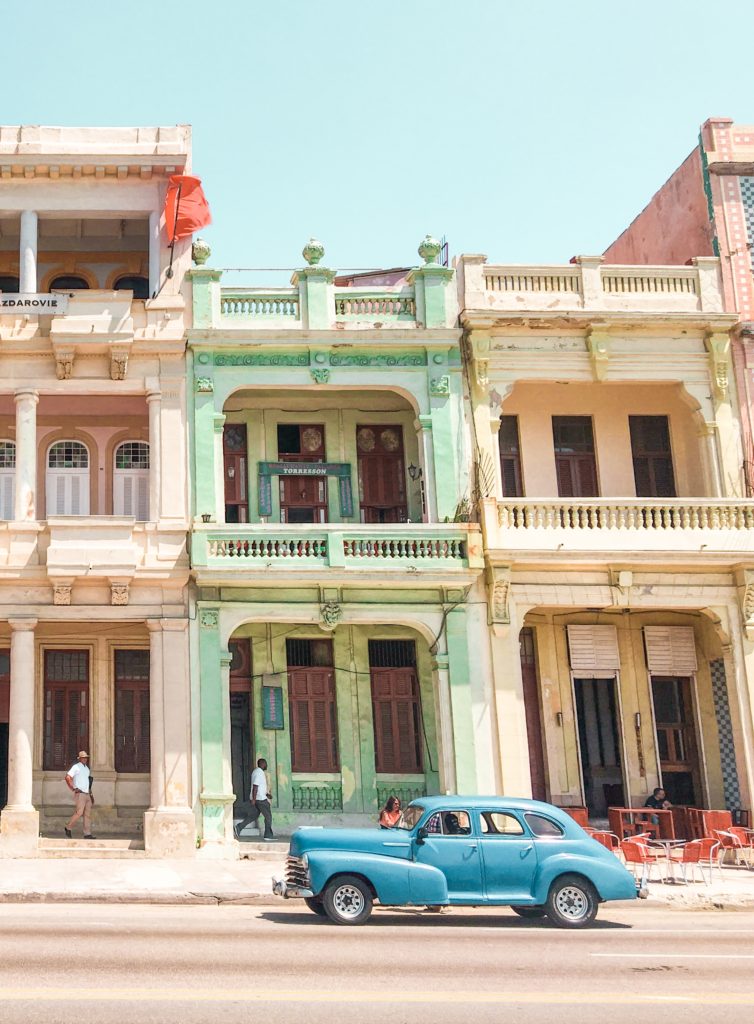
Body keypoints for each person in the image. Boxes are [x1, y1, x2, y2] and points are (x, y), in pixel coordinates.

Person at [235, 758, 274, 841]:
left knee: (254, 815)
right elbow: (255, 786)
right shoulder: (259, 773)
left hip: (259, 797)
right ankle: (268, 835)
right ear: (262, 764)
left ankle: (239, 827)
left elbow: (259, 787)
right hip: (260, 799)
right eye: (265, 763)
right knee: (268, 817)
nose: (266, 765)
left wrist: (267, 794)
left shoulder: (258, 772)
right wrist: (254, 799)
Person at [64, 750, 96, 839]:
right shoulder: (76, 767)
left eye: (86, 758)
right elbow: (68, 777)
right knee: (79, 812)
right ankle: (68, 827)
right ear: (80, 759)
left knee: (87, 814)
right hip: (80, 793)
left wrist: (91, 795)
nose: (85, 759)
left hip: (87, 793)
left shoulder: (87, 769)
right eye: (83, 758)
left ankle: (87, 833)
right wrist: (73, 788)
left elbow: (88, 783)